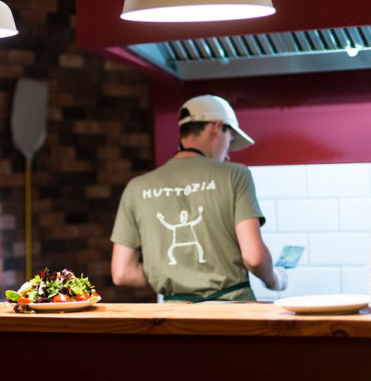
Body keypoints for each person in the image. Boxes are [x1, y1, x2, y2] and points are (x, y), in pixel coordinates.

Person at [110, 95, 287, 302]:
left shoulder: (137, 187)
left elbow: (122, 273)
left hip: (173, 315)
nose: (228, 154)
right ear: (217, 127)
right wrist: (275, 279)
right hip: (233, 311)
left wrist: (174, 275)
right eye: (230, 141)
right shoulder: (235, 174)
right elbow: (254, 258)